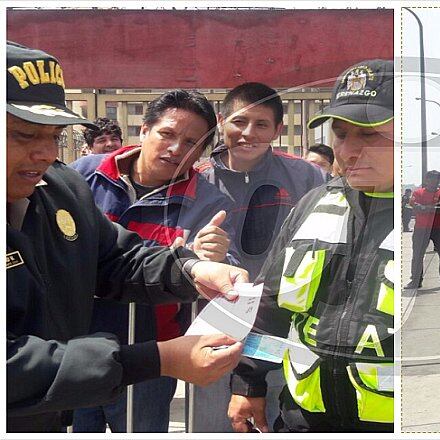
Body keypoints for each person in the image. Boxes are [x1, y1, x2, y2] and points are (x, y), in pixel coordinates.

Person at [6, 41, 246, 433]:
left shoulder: (60, 188)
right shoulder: (84, 173)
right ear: (144, 129)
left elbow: (117, 258)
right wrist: (155, 360)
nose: (46, 153)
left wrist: (191, 270)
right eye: (25, 136)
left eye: (54, 136)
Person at [227, 59, 394, 433]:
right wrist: (248, 383)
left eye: (369, 135)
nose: (349, 151)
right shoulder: (314, 203)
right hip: (301, 418)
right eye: (341, 133)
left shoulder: (423, 221)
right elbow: (270, 302)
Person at [69, 90, 239, 433]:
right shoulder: (81, 175)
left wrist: (214, 256)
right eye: (167, 134)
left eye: (192, 142)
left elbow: (219, 268)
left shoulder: (209, 200)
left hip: (150, 355)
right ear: (144, 130)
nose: (177, 149)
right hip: (73, 347)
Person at [195, 82, 325, 432]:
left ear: (278, 130)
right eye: (239, 121)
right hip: (214, 323)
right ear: (221, 121)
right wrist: (197, 252)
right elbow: (173, 250)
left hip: (280, 325)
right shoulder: (196, 179)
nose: (248, 133)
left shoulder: (307, 177)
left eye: (261, 124)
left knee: (275, 420)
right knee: (214, 422)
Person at [406, 170, 440, 289]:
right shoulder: (418, 192)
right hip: (422, 228)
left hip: (439, 227)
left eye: (437, 179)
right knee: (418, 255)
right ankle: (416, 281)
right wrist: (435, 207)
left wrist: (425, 208)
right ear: (427, 180)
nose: (435, 181)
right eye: (432, 178)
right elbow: (414, 205)